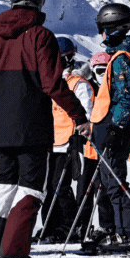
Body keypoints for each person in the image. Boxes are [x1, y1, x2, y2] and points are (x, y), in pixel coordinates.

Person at [0, 0, 90, 258]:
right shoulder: (40, 36)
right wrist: (80, 117)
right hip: (33, 128)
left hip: (0, 131)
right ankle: (13, 255)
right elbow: (52, 84)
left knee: (3, 186)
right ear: (39, 2)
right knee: (31, 190)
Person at [86, 3, 130, 254]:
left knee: (115, 183)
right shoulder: (120, 57)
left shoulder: (122, 59)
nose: (101, 35)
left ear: (111, 29)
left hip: (115, 129)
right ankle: (122, 233)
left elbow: (127, 98)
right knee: (109, 182)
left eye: (103, 30)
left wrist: (115, 128)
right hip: (111, 128)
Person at [38, 37, 94, 244]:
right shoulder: (48, 82)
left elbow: (87, 113)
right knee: (49, 188)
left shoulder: (78, 83)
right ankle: (50, 226)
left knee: (60, 186)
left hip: (69, 143)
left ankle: (70, 225)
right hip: (51, 143)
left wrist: (78, 136)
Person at [73, 51, 116, 243]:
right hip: (87, 145)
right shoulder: (87, 87)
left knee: (104, 187)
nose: (101, 74)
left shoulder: (113, 87)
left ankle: (107, 226)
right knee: (84, 188)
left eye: (105, 70)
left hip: (105, 144)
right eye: (98, 70)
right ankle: (81, 226)